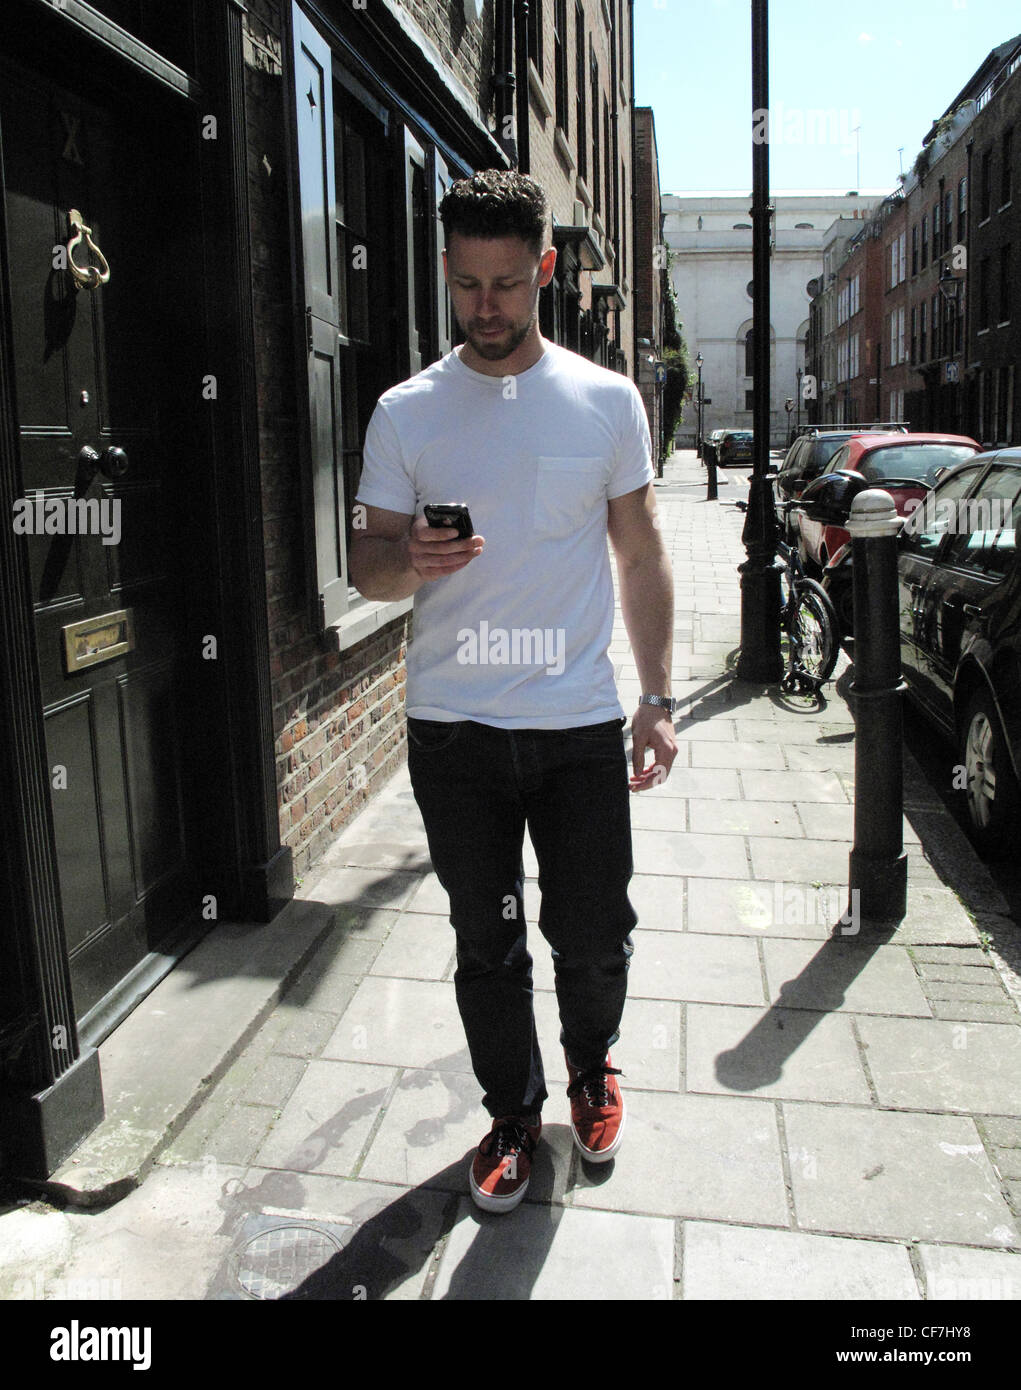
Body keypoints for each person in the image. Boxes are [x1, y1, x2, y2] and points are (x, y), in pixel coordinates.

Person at [349, 169, 677, 1214]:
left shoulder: (604, 399)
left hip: (577, 723)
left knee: (589, 933)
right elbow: (365, 568)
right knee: (484, 940)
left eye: (505, 283)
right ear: (444, 273)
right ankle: (508, 1112)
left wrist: (658, 697)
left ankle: (589, 1070)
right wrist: (416, 566)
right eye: (466, 285)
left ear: (542, 269)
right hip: (454, 733)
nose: (485, 307)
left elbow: (638, 553)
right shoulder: (407, 410)